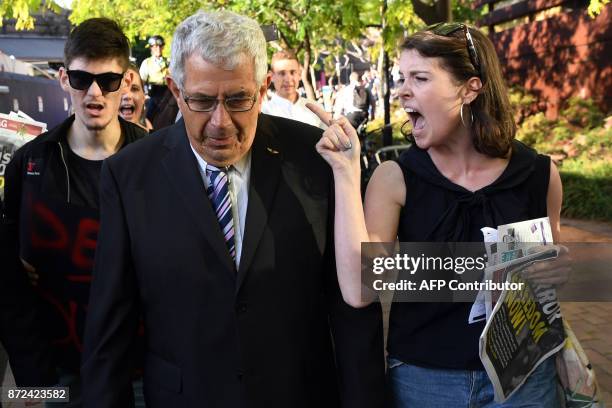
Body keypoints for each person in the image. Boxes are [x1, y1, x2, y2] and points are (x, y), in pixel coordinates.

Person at [81, 10, 384, 408]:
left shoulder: (317, 158)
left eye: (239, 99)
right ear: (175, 91)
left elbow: (350, 308)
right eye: (203, 101)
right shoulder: (129, 176)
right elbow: (110, 328)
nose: (220, 122)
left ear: (263, 90)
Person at [308, 22, 570, 407]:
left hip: (526, 379)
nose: (402, 91)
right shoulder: (394, 178)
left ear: (470, 88)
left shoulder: (540, 175)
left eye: (420, 77)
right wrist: (346, 173)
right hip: (423, 379)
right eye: (402, 77)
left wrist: (558, 266)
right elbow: (359, 290)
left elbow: (549, 271)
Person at [0, 17, 146, 404]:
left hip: (139, 369)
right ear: (64, 79)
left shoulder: (157, 161)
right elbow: (10, 278)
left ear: (127, 81)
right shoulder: (31, 164)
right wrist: (31, 379)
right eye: (82, 80)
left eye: (109, 81)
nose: (95, 93)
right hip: (56, 369)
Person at [261, 50, 326, 129]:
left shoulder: (316, 109)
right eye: (282, 73)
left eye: (293, 72)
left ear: (299, 74)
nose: (288, 79)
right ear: (271, 77)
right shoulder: (263, 112)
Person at [139, 35, 169, 122]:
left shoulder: (169, 61)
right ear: (151, 48)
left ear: (163, 47)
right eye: (155, 46)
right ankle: (148, 129)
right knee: (149, 114)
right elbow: (142, 81)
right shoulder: (147, 62)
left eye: (160, 46)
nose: (158, 48)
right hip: (154, 94)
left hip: (168, 93)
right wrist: (143, 95)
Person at [119, 64, 154, 131]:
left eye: (134, 89)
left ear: (143, 97)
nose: (127, 96)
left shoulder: (152, 135)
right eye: (121, 89)